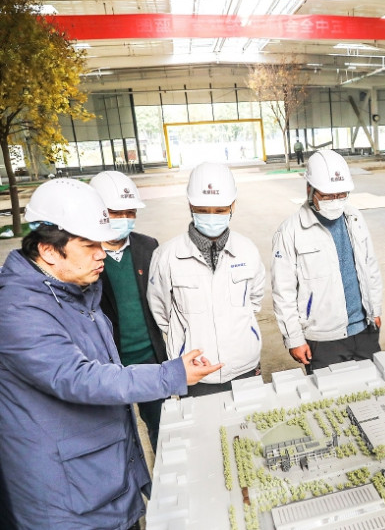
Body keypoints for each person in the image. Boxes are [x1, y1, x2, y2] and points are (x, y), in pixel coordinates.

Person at [0, 179, 220, 530]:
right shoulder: (18, 310)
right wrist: (171, 374)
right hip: (65, 503)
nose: (101, 253)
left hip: (98, 481)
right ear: (49, 251)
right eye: (89, 245)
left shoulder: (75, 291)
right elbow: (79, 378)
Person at [148, 162, 266, 397]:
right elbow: (161, 312)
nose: (211, 217)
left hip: (244, 365)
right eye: (203, 210)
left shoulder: (247, 250)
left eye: (220, 210)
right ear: (190, 205)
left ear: (233, 205)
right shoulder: (167, 256)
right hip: (195, 371)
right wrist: (187, 337)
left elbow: (254, 300)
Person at [272, 150, 382, 372]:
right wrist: (294, 338)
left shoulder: (354, 218)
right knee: (331, 393)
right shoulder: (290, 232)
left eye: (341, 194)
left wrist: (375, 308)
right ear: (309, 189)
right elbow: (283, 292)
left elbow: (370, 266)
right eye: (328, 195)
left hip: (364, 329)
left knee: (374, 388)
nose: (335, 201)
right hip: (322, 340)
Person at [90, 171, 168, 452]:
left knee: (162, 428)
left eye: (130, 212)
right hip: (107, 366)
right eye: (116, 212)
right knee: (114, 438)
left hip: (149, 361)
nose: (124, 218)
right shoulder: (84, 255)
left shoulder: (149, 247)